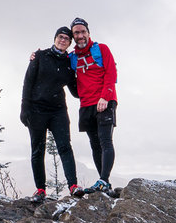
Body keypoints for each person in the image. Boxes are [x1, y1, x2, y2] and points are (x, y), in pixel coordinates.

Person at [21, 26, 84, 202]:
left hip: (58, 111)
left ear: (70, 43)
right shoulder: (40, 56)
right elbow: (28, 82)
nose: (63, 40)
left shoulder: (69, 63)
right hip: (36, 110)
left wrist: (95, 79)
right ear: (55, 38)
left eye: (66, 38)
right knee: (37, 149)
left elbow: (76, 91)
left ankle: (73, 186)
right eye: (60, 37)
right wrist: (24, 109)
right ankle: (40, 189)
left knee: (65, 147)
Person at [69, 17, 118, 193]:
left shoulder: (101, 49)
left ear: (89, 33)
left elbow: (111, 73)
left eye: (83, 32)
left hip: (105, 101)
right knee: (94, 144)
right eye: (77, 33)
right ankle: (105, 184)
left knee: (105, 141)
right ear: (73, 36)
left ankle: (103, 180)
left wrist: (105, 97)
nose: (80, 35)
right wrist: (35, 56)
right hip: (86, 105)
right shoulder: (72, 57)